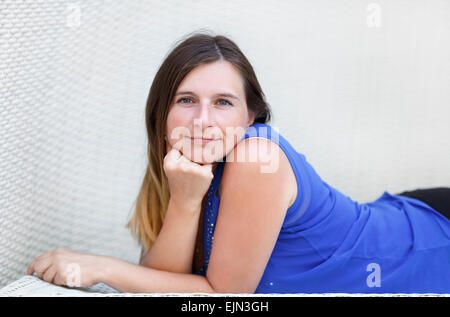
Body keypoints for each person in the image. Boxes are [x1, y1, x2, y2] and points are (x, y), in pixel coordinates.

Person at [27, 32, 450, 294]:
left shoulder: (256, 156)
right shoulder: (184, 172)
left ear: (250, 117)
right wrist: (185, 202)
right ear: (162, 115)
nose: (203, 120)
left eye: (223, 103)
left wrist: (100, 267)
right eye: (186, 100)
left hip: (430, 237)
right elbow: (159, 284)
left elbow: (224, 297)